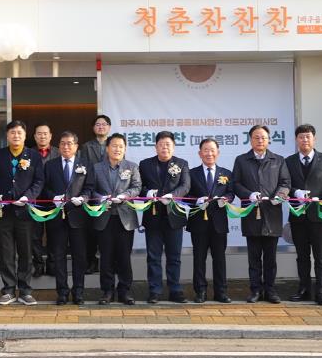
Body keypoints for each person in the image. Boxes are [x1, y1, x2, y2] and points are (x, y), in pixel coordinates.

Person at [233, 125, 290, 304]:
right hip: (251, 214)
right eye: (256, 137)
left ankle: (270, 290)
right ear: (250, 139)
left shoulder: (278, 160)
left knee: (271, 258)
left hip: (272, 214)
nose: (260, 140)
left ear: (268, 140)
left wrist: (280, 195)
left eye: (263, 137)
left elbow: (285, 182)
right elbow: (235, 184)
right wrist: (248, 194)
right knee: (254, 257)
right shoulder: (241, 160)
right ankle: (255, 290)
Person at [0, 120, 45, 305]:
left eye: (19, 133)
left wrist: (28, 197)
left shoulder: (33, 156)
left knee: (25, 252)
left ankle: (25, 291)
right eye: (12, 133)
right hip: (3, 212)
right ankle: (8, 290)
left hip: (25, 212)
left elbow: (39, 181)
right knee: (6, 252)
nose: (16, 136)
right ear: (7, 135)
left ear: (25, 135)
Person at [285, 124, 322, 306]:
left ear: (314, 139)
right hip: (298, 216)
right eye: (301, 137)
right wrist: (295, 192)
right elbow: (285, 184)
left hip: (319, 215)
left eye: (308, 136)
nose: (304, 140)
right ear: (296, 140)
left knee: (321, 256)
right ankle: (304, 289)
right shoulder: (289, 161)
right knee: (302, 256)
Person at [90, 133, 142, 305]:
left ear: (125, 149)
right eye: (114, 146)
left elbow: (137, 187)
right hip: (104, 217)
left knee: (124, 257)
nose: (117, 149)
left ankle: (124, 291)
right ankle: (107, 291)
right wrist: (101, 198)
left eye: (121, 146)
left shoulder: (132, 167)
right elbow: (91, 189)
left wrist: (125, 195)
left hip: (125, 219)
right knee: (106, 257)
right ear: (107, 148)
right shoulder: (97, 167)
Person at [139, 131, 191, 304]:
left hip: (173, 216)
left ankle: (175, 290)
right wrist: (147, 192)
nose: (164, 147)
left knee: (174, 256)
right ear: (156, 147)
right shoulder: (145, 164)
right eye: (161, 144)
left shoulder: (182, 164)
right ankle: (155, 290)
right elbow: (139, 186)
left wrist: (173, 195)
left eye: (168, 144)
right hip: (152, 216)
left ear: (173, 147)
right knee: (153, 256)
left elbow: (185, 186)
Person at [43, 131, 92, 305]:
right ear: (59, 146)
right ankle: (62, 292)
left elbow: (90, 187)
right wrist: (53, 197)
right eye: (63, 143)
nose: (66, 146)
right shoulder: (50, 165)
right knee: (58, 256)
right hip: (57, 216)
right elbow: (44, 188)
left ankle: (78, 292)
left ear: (76, 146)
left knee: (79, 256)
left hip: (78, 216)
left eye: (70, 143)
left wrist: (83, 198)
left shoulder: (85, 165)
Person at [186, 138, 234, 303]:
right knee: (199, 259)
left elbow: (231, 192)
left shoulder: (226, 173)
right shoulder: (191, 173)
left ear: (218, 153)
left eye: (212, 150)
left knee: (219, 258)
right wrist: (196, 201)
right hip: (198, 222)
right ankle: (200, 291)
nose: (209, 153)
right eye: (205, 150)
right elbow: (185, 195)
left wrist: (226, 199)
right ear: (200, 153)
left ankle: (221, 292)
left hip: (219, 222)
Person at [80, 114, 112, 275]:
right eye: (98, 124)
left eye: (104, 124)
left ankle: (108, 263)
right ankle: (91, 261)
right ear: (93, 128)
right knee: (91, 231)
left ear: (109, 127)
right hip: (92, 191)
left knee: (108, 231)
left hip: (110, 191)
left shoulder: (114, 144)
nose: (101, 126)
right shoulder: (86, 146)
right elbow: (84, 167)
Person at [31, 123, 60, 277]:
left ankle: (52, 264)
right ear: (35, 136)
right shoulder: (28, 153)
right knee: (35, 235)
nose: (42, 136)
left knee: (54, 234)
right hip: (34, 200)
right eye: (39, 133)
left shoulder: (58, 152)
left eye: (45, 133)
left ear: (50, 136)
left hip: (54, 199)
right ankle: (38, 265)